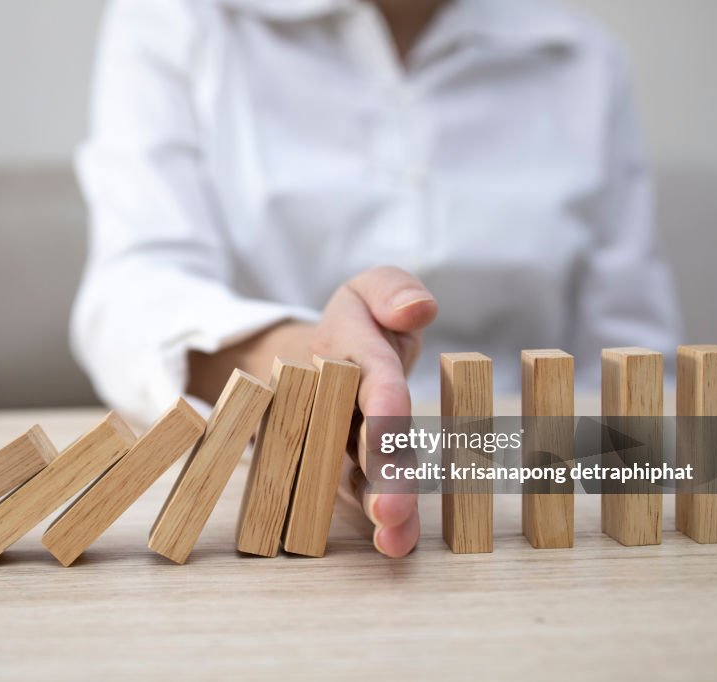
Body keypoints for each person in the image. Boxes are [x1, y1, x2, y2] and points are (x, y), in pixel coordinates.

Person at [70, 0, 681, 558]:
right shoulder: (178, 19)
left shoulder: (583, 56)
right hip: (273, 485)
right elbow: (131, 294)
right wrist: (311, 367)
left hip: (544, 493)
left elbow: (639, 360)